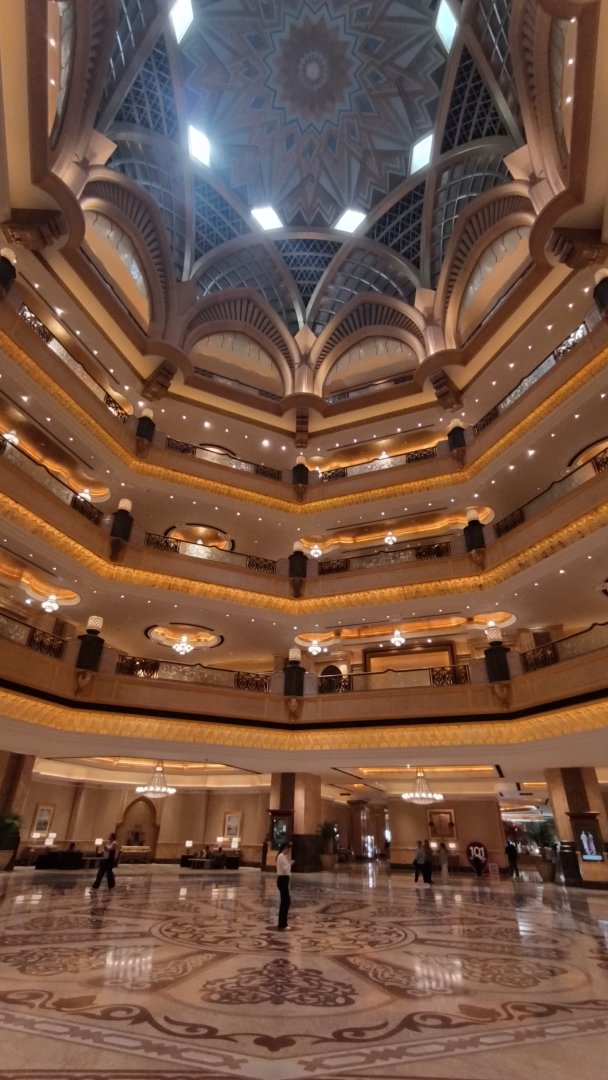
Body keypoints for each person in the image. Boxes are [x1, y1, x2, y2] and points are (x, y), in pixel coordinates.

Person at [276, 842, 293, 929]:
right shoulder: (281, 856)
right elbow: (285, 869)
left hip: (284, 880)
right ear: (285, 848)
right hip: (283, 879)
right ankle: (282, 924)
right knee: (285, 902)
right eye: (289, 849)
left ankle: (283, 923)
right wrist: (289, 865)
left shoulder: (283, 856)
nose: (289, 851)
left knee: (285, 901)